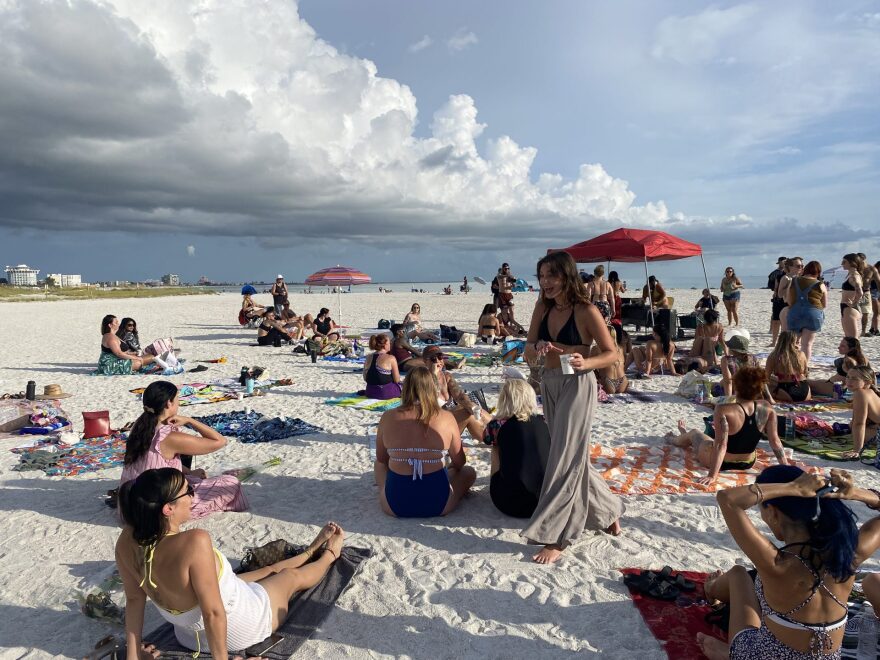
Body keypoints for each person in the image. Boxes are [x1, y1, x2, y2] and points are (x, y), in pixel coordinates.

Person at [116, 467, 343, 657]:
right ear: (168, 509)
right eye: (188, 491)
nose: (193, 497)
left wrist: (133, 656)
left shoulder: (126, 542)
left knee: (266, 571)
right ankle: (328, 555)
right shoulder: (194, 541)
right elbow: (213, 613)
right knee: (288, 577)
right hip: (241, 629)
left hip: (187, 637)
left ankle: (309, 551)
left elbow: (135, 600)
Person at [695, 466, 880, 660]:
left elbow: (728, 499)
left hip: (765, 656)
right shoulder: (850, 554)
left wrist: (794, 488)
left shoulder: (777, 564)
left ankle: (711, 590)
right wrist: (854, 493)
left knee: (738, 574)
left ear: (773, 513)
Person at [523, 251, 624, 564]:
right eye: (541, 277)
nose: (545, 283)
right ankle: (608, 511)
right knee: (572, 454)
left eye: (551, 276)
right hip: (551, 382)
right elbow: (527, 349)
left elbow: (612, 354)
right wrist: (537, 349)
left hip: (578, 383)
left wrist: (587, 361)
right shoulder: (542, 306)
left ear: (566, 275)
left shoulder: (586, 310)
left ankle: (558, 536)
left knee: (564, 457)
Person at [120, 381, 248, 518]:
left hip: (130, 503)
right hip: (155, 510)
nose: (178, 403)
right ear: (169, 403)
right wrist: (190, 421)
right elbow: (220, 441)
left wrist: (190, 472)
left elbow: (161, 462)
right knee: (230, 483)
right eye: (177, 399)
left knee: (192, 476)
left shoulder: (139, 426)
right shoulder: (168, 437)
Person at [374, 366, 476, 517]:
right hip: (438, 504)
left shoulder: (388, 417)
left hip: (395, 505)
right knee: (469, 472)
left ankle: (388, 488)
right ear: (433, 389)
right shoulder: (446, 417)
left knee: (378, 465)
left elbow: (382, 459)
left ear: (406, 388)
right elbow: (460, 461)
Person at [666, 367, 787, 485]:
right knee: (703, 438)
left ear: (736, 387)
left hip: (723, 461)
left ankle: (674, 439)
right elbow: (775, 441)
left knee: (695, 433)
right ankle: (684, 435)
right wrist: (786, 468)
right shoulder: (767, 407)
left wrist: (712, 475)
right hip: (748, 462)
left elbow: (721, 445)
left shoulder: (724, 410)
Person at [482, 380, 550, 518]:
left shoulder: (497, 425)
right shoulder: (545, 421)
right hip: (545, 502)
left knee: (496, 446)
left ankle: (497, 479)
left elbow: (486, 439)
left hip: (509, 504)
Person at [424, 345, 490, 439]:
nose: (438, 361)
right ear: (425, 361)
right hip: (432, 426)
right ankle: (490, 439)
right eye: (433, 359)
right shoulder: (421, 379)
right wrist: (433, 375)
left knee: (475, 408)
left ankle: (497, 432)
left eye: (440, 357)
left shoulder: (446, 376)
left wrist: (470, 405)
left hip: (446, 420)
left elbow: (459, 395)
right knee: (466, 414)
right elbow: (428, 404)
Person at [786, 260, 826, 364]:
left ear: (805, 269)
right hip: (813, 314)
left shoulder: (794, 281)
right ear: (818, 272)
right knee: (807, 344)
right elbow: (824, 304)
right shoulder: (820, 284)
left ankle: (791, 364)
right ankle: (804, 367)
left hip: (795, 313)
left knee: (792, 342)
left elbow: (789, 300)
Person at [840, 365, 880, 459]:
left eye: (854, 378)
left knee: (854, 430)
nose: (849, 381)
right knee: (851, 426)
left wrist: (857, 450)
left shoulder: (860, 394)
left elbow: (859, 423)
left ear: (867, 382)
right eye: (848, 377)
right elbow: (855, 422)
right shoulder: (870, 392)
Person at [766, 331, 810, 402]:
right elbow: (806, 373)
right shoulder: (801, 354)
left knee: (769, 384)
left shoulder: (773, 356)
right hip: (805, 390)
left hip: (786, 390)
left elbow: (765, 378)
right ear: (794, 341)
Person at [363, 334, 402, 400]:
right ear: (385, 345)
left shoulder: (368, 357)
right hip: (385, 392)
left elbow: (365, 378)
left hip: (370, 392)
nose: (391, 344)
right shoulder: (391, 358)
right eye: (389, 343)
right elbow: (397, 380)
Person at [592, 322, 628, 393]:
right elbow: (624, 364)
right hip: (623, 381)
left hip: (607, 380)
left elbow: (589, 367)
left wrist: (598, 376)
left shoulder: (597, 349)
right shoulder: (621, 348)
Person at [774, 257, 804, 343]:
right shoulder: (786, 278)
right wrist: (790, 285)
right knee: (787, 335)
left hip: (800, 307)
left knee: (798, 336)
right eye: (798, 266)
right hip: (788, 307)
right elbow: (779, 294)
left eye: (802, 266)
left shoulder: (801, 278)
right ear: (790, 267)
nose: (801, 268)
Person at [839, 253, 864, 342]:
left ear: (852, 263)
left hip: (849, 308)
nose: (842, 264)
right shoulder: (851, 274)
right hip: (846, 307)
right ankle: (851, 355)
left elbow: (860, 292)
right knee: (849, 338)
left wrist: (854, 303)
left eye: (844, 262)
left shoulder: (854, 276)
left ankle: (857, 355)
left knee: (853, 339)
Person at [767, 256, 787, 346]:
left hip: (786, 298)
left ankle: (782, 339)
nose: (784, 264)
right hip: (778, 298)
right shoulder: (775, 273)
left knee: (784, 320)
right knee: (775, 318)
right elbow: (770, 284)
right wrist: (777, 291)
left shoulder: (791, 274)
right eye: (783, 262)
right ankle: (773, 337)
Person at [869, 259, 880, 336]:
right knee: (876, 312)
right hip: (874, 293)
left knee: (877, 312)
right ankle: (875, 330)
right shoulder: (873, 274)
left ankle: (872, 328)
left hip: (877, 293)